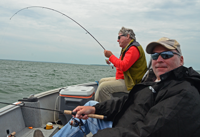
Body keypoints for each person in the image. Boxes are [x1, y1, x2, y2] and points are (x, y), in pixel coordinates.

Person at [52, 37, 200, 137]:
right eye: (155, 56)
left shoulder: (184, 93)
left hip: (128, 126)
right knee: (90, 104)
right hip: (125, 121)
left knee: (103, 88)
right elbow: (128, 101)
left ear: (181, 60)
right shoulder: (155, 80)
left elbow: (147, 131)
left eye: (166, 55)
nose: (159, 59)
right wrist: (96, 109)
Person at [94, 27, 147, 102]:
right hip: (125, 78)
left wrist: (111, 56)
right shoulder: (127, 48)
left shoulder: (133, 49)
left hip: (131, 82)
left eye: (119, 37)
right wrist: (111, 60)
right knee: (101, 81)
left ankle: (106, 110)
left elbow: (124, 66)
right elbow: (122, 63)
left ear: (127, 36)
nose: (117, 40)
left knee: (103, 87)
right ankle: (96, 105)